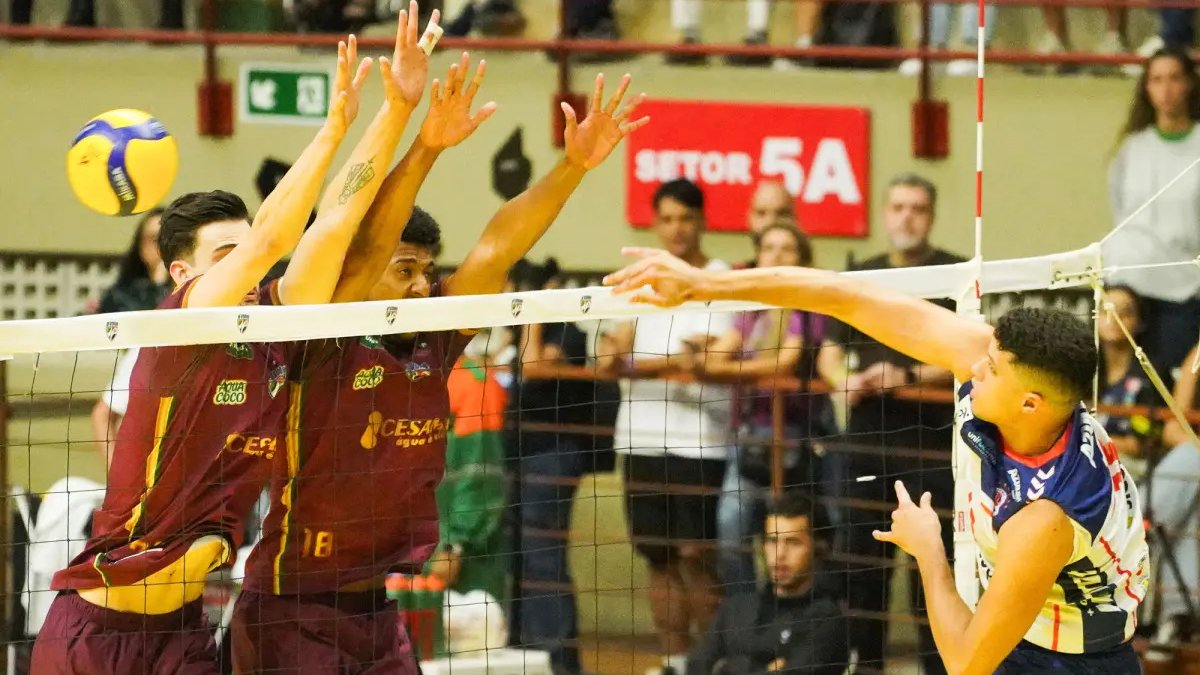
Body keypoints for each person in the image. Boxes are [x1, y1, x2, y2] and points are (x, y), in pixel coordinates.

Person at [230, 48, 646, 672]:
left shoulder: (435, 337)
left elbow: (497, 246)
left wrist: (574, 166)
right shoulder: (320, 337)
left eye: (427, 270)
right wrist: (424, 144)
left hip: (377, 608)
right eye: (405, 270)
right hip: (293, 606)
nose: (423, 286)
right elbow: (366, 241)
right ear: (365, 276)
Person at [604, 249, 1150, 673]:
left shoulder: (1045, 518)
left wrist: (929, 549)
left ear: (1029, 403)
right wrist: (705, 286)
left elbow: (965, 663)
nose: (973, 364)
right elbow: (844, 296)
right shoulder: (1010, 379)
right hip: (1025, 627)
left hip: (1070, 662)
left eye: (992, 368)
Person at [30, 33, 381, 675]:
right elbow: (276, 237)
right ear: (180, 273)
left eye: (246, 256)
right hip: (96, 633)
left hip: (182, 633)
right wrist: (331, 127)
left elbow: (332, 229)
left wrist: (395, 113)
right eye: (227, 257)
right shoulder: (177, 327)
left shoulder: (271, 334)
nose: (247, 271)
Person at [816, 172, 961, 673]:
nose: (907, 216)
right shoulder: (861, 275)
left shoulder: (955, 274)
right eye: (898, 206)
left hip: (932, 449)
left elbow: (969, 349)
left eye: (918, 208)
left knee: (933, 575)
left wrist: (906, 375)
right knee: (862, 572)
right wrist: (843, 380)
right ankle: (867, 666)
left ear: (931, 216)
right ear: (884, 212)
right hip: (864, 447)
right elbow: (830, 351)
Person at [599, 178, 731, 675]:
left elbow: (708, 358)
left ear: (702, 222)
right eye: (668, 219)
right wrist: (656, 359)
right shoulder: (641, 279)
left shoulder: (721, 278)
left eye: (687, 218)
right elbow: (608, 355)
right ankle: (674, 663)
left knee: (696, 557)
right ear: (655, 224)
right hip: (641, 440)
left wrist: (643, 361)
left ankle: (711, 665)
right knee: (658, 559)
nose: (677, 229)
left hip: (701, 444)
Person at [681, 224, 829, 597]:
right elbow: (717, 356)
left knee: (797, 537)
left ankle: (801, 616)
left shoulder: (809, 307)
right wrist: (713, 356)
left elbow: (784, 362)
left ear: (803, 261)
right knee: (731, 529)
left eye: (787, 249)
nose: (776, 256)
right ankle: (749, 615)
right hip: (746, 437)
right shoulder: (748, 309)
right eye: (768, 248)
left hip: (796, 439)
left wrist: (728, 370)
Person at [1105, 47, 1200, 386]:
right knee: (1122, 391)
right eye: (1156, 80)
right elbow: (1120, 211)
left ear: (1189, 84)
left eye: (1175, 78)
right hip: (1128, 287)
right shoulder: (1132, 147)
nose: (1166, 89)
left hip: (1183, 292)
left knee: (1173, 391)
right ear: (1146, 88)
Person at [687, 491, 849, 675]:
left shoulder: (827, 620)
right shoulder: (736, 609)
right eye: (772, 541)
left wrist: (724, 668)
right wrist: (761, 670)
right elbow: (696, 666)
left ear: (819, 547)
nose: (780, 554)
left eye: (793, 542)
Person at [97, 208, 170, 314]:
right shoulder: (120, 295)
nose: (161, 245)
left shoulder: (192, 288)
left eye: (167, 237)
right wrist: (158, 285)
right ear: (140, 246)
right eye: (153, 238)